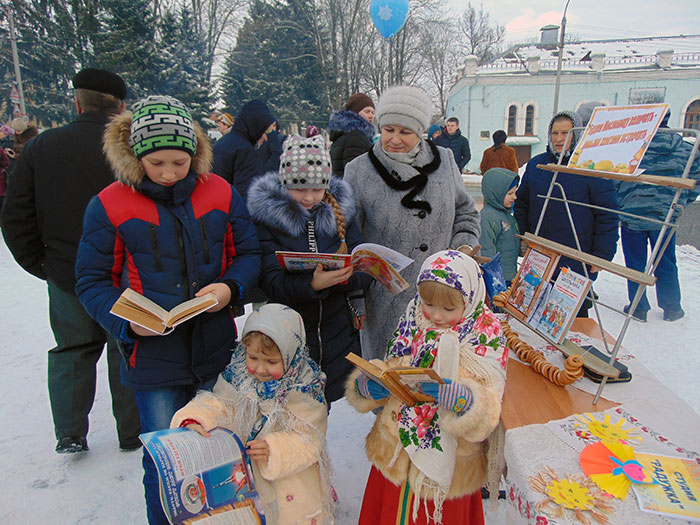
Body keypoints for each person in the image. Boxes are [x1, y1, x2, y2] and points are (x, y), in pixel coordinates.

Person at [74, 95, 261, 524]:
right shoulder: (109, 203)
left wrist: (230, 288)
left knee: (222, 452)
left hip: (215, 349)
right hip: (153, 360)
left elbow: (248, 253)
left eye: (180, 162)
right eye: (157, 163)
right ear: (136, 155)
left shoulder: (220, 191)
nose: (169, 173)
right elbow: (91, 280)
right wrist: (127, 323)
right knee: (166, 461)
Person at [1, 68, 141, 455]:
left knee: (73, 350)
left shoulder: (42, 147)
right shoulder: (133, 147)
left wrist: (41, 265)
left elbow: (15, 216)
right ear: (121, 106)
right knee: (126, 346)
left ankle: (70, 432)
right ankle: (133, 431)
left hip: (66, 270)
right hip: (125, 272)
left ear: (77, 102)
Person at [346, 250, 507, 524]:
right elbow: (392, 364)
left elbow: (491, 399)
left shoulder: (485, 334)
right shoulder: (413, 319)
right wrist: (368, 384)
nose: (435, 315)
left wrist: (466, 401)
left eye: (448, 309)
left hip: (451, 461)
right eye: (428, 304)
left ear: (469, 300)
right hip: (397, 447)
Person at [344, 85, 480, 360]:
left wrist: (461, 254)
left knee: (437, 383)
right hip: (383, 304)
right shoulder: (359, 170)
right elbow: (348, 236)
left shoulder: (445, 161)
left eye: (404, 131)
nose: (394, 139)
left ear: (419, 131)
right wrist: (355, 297)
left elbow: (465, 213)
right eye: (388, 129)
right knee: (390, 388)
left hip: (442, 298)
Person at [171, 303, 334, 524]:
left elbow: (310, 440)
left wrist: (275, 448)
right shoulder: (237, 378)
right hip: (245, 484)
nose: (259, 369)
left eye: (271, 361)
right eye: (253, 357)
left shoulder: (305, 389)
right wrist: (196, 418)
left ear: (291, 355)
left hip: (290, 490)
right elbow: (218, 404)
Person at [247, 134, 371, 403]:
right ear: (284, 183)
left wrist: (345, 278)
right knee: (293, 407)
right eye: (299, 188)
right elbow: (269, 280)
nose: (309, 197)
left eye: (317, 189)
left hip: (336, 332)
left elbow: (363, 270)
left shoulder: (343, 213)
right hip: (289, 333)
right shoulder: (268, 219)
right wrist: (312, 285)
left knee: (322, 407)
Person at [514, 110, 618, 317]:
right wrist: (523, 236)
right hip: (541, 253)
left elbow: (607, 215)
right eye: (555, 133)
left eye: (566, 133)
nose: (559, 139)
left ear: (577, 134)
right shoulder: (537, 165)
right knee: (533, 312)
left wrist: (602, 255)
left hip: (576, 256)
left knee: (569, 316)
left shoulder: (591, 167)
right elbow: (522, 204)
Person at [615, 111, 700, 322]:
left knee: (635, 263)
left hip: (632, 214)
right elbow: (696, 178)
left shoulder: (629, 147)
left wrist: (622, 203)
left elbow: (613, 178)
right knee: (666, 260)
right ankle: (672, 307)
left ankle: (638, 306)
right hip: (665, 215)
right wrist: (680, 204)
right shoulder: (684, 149)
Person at [212, 99, 275, 200]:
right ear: (255, 127)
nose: (265, 138)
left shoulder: (223, 142)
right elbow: (246, 195)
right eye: (264, 132)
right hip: (231, 210)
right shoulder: (245, 151)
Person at [480, 168, 520, 283]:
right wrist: (492, 279)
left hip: (509, 275)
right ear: (497, 193)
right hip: (497, 279)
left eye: (515, 192)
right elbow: (486, 251)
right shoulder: (487, 218)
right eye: (510, 194)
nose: (514, 197)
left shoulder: (507, 215)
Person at [327, 92, 376, 178]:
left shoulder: (342, 134)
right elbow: (356, 174)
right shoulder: (356, 137)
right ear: (355, 113)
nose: (371, 116)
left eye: (373, 112)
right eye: (367, 111)